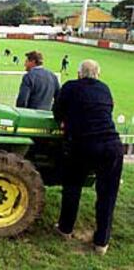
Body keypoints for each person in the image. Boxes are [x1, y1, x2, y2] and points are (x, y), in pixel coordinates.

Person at [53, 60, 123, 256]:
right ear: (98, 74)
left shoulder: (70, 87)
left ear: (78, 74)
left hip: (82, 145)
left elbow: (57, 112)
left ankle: (65, 228)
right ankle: (101, 243)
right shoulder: (105, 89)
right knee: (107, 196)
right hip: (111, 146)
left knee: (72, 187)